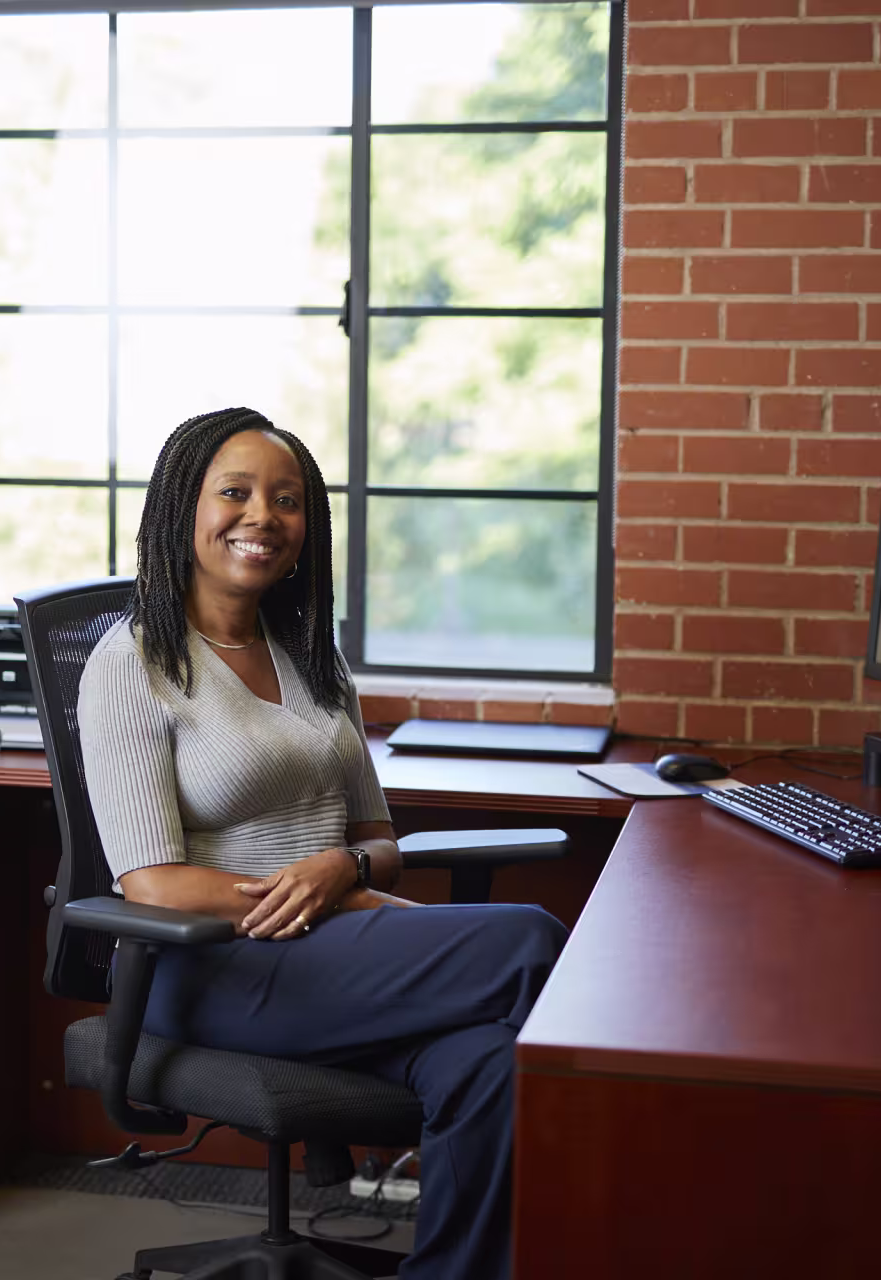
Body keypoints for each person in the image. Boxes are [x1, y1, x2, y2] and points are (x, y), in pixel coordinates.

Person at [77, 406, 566, 1280]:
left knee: (491, 1064)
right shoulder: (135, 660)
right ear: (181, 508)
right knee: (530, 939)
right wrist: (329, 896)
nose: (263, 515)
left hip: (322, 959)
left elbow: (378, 838)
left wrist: (346, 870)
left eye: (288, 499)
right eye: (236, 492)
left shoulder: (310, 654)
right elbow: (150, 885)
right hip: (206, 967)